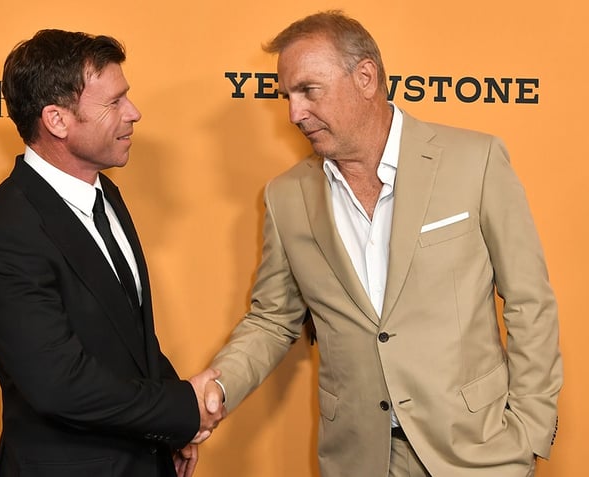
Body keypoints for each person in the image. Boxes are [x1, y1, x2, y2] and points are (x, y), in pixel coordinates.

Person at [204, 11, 562, 477]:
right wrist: (217, 386)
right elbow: (273, 319)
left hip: (477, 453)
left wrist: (530, 429)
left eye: (309, 91)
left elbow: (529, 301)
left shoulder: (476, 161)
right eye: (287, 96)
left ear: (366, 77)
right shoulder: (285, 196)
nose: (294, 113)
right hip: (360, 457)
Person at [0, 29, 224, 477]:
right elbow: (60, 385)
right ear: (57, 121)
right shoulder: (5, 233)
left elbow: (128, 339)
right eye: (114, 103)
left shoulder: (107, 194)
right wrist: (180, 408)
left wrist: (169, 431)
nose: (134, 113)